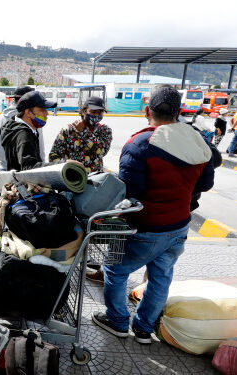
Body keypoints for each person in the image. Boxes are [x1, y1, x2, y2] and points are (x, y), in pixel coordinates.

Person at [92, 86, 215, 345]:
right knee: (161, 277)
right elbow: (205, 184)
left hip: (146, 228)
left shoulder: (140, 144)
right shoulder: (197, 140)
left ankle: (116, 321)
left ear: (148, 111)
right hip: (180, 226)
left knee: (115, 271)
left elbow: (128, 193)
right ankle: (144, 329)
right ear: (179, 112)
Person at [49, 97, 113, 173]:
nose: (96, 115)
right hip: (72, 178)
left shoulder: (104, 130)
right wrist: (66, 163)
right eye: (93, 112)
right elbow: (53, 156)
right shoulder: (68, 130)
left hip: (96, 178)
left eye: (100, 113)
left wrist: (83, 131)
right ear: (83, 111)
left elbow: (102, 151)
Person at [0, 91, 56, 171]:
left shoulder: (18, 128)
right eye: (42, 110)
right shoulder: (23, 135)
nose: (46, 113)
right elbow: (29, 168)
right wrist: (60, 165)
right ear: (29, 113)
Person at [0, 86, 35, 170]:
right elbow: (39, 149)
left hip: (4, 168)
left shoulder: (0, 118)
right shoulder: (31, 118)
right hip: (25, 170)